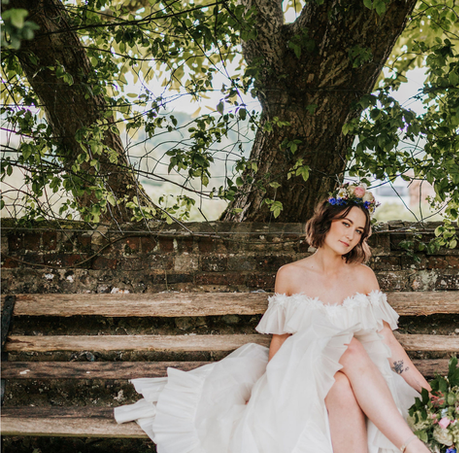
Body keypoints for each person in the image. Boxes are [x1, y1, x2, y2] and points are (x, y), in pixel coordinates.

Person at [114, 183, 432, 453]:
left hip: (362, 378)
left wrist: (425, 388)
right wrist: (271, 390)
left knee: (341, 381)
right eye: (345, 224)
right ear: (327, 221)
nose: (350, 235)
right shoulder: (290, 275)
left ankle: (407, 446)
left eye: (359, 230)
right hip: (302, 373)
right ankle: (410, 446)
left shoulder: (363, 276)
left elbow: (388, 343)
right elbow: (279, 341)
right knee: (345, 347)